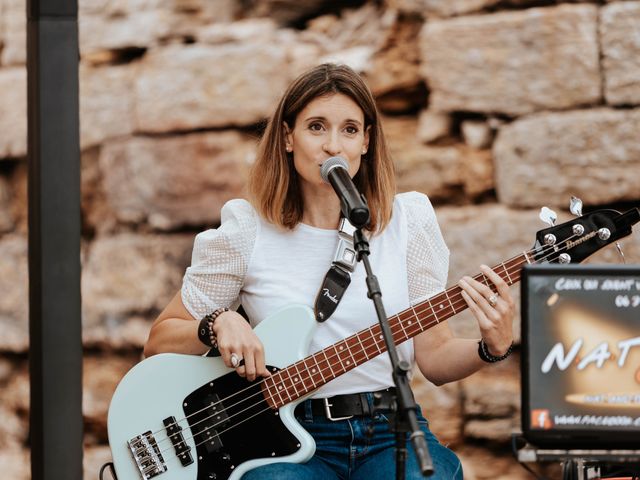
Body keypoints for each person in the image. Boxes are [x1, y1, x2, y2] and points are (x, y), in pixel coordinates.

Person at [144, 63, 515, 479]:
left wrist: (491, 347)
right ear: (287, 137)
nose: (333, 145)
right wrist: (217, 322)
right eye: (316, 127)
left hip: (387, 429)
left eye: (350, 129)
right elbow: (159, 342)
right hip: (280, 437)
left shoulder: (408, 221)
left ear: (366, 142)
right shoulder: (247, 231)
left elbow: (434, 357)